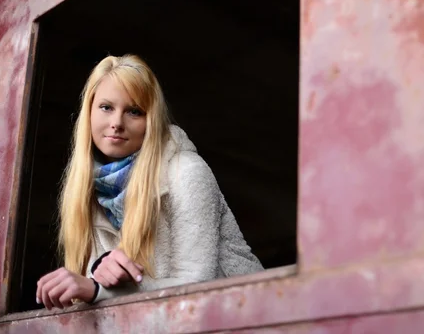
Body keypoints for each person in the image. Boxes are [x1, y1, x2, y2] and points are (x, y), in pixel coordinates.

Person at [36, 54, 263, 309]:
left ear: (151, 121)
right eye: (106, 107)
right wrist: (95, 281)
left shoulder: (186, 172)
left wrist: (96, 288)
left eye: (134, 111)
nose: (116, 123)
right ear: (88, 112)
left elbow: (198, 283)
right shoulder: (90, 190)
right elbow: (106, 296)